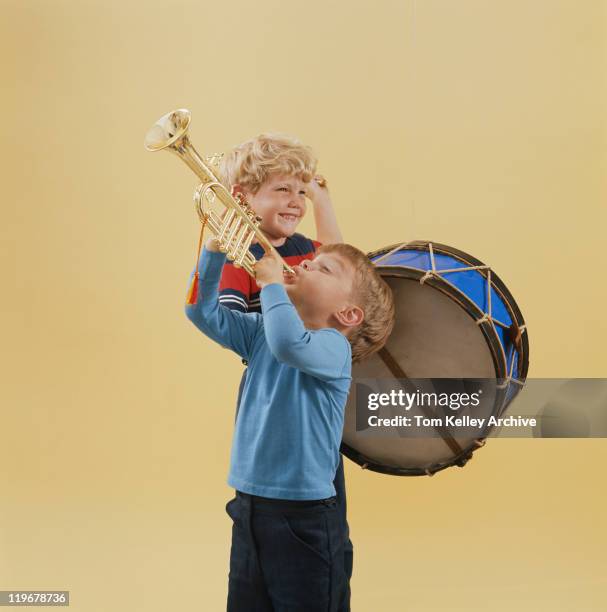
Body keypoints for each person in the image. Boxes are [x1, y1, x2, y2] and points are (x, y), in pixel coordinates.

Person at [185, 237, 395, 611]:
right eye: (313, 260)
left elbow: (288, 343)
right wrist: (213, 254)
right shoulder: (263, 331)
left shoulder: (334, 348)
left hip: (305, 521)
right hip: (249, 507)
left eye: (324, 268)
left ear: (348, 315)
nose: (306, 265)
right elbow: (200, 313)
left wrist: (270, 284)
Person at [216, 132, 356, 597]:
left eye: (299, 189)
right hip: (276, 387)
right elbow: (233, 325)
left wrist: (321, 199)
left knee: (324, 529)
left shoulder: (301, 249)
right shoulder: (245, 258)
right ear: (243, 199)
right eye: (282, 189)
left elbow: (342, 264)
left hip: (314, 396)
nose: (294, 201)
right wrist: (271, 283)